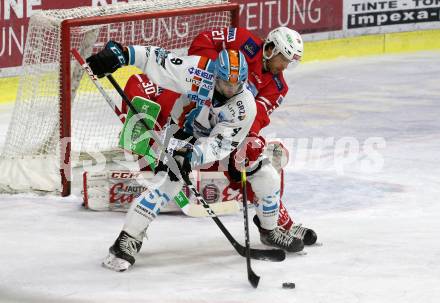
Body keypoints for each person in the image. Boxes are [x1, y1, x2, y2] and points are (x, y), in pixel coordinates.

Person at [86, 42, 303, 272]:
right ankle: (128, 239)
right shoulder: (196, 71)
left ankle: (270, 230)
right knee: (167, 182)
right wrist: (123, 54)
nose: (230, 89)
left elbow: (220, 145)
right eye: (225, 83)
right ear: (215, 74)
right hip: (182, 132)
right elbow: (155, 58)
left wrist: (193, 156)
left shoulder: (245, 106)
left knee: (266, 174)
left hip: (219, 143)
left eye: (236, 84)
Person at [188, 26, 318, 245]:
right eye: (284, 59)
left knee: (267, 160)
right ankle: (280, 222)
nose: (285, 66)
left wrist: (252, 139)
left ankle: (275, 222)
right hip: (197, 116)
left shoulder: (278, 86)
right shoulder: (242, 40)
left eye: (290, 62)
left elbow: (257, 115)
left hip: (228, 131)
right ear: (271, 49)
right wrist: (215, 71)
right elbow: (202, 41)